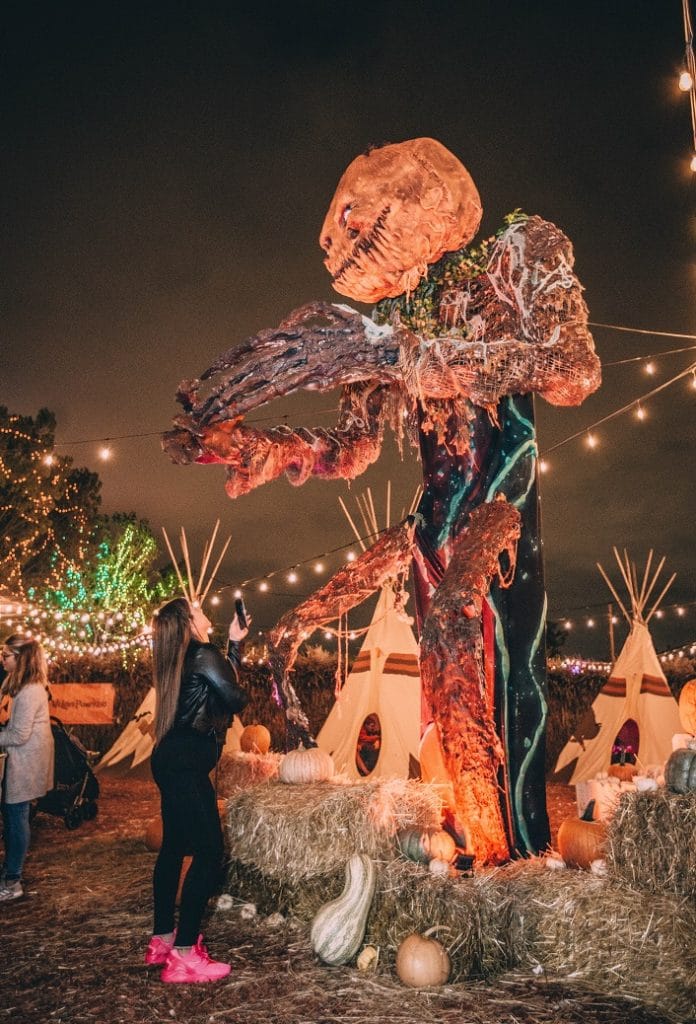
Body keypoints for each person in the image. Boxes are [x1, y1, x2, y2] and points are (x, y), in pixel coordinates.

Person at [144, 598, 249, 984]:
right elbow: (235, 696)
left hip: (171, 759)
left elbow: (220, 687)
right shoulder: (203, 653)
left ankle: (162, 939)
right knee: (209, 852)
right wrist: (233, 651)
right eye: (197, 608)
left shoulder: (181, 656)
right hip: (187, 764)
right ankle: (186, 953)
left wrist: (235, 645)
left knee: (173, 848)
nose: (204, 609)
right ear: (190, 621)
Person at [0, 635, 55, 902]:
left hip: (26, 761)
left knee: (16, 817)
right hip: (23, 759)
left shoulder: (30, 691)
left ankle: (13, 880)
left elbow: (19, 735)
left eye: (6, 655)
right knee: (13, 816)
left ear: (20, 659)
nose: (2, 659)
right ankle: (10, 873)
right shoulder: (24, 688)